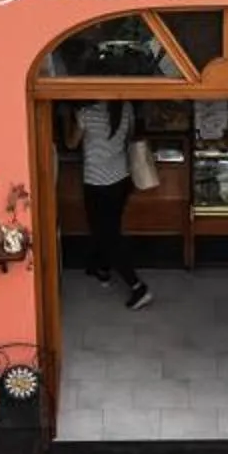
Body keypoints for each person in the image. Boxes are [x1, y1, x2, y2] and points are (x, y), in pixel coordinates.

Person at [65, 97, 150, 308]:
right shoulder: (127, 106)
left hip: (96, 183)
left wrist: (68, 118)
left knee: (107, 233)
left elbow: (71, 143)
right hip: (121, 179)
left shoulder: (86, 112)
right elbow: (129, 136)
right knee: (110, 227)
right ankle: (102, 268)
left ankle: (138, 287)